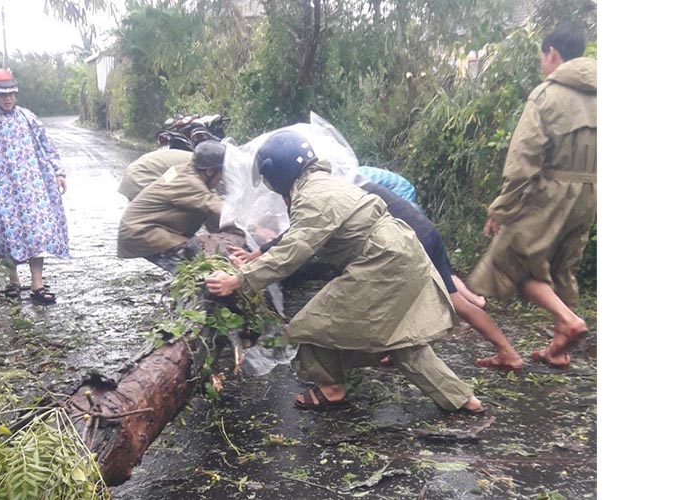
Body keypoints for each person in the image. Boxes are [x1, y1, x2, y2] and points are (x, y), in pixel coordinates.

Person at [205, 131, 483, 414]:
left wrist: (239, 280)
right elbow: (302, 231)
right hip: (401, 253)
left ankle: (332, 388)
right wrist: (259, 253)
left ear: (276, 173)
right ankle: (462, 399)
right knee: (402, 341)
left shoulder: (312, 196)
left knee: (308, 327)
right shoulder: (322, 183)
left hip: (380, 263)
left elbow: (294, 251)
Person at [233, 166, 523, 371]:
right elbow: (300, 232)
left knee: (451, 300)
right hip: (420, 231)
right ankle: (388, 349)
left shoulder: (328, 193)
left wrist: (256, 260)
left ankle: (507, 352)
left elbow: (301, 236)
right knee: (411, 294)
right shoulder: (337, 182)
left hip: (409, 238)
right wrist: (258, 251)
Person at [467, 22, 596, 368]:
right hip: (589, 194)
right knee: (563, 268)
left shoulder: (547, 95)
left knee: (515, 266)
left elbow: (523, 161)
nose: (543, 65)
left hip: (549, 194)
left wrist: (502, 209)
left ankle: (569, 322)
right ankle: (559, 350)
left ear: (552, 53)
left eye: (543, 58)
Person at [0, 69, 69, 305]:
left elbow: (46, 146)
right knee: (5, 235)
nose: (8, 99)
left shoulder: (27, 118)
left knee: (36, 233)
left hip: (31, 188)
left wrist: (58, 172)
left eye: (11, 93)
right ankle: (13, 280)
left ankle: (37, 284)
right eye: (2, 95)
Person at [116, 141, 227, 272]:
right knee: (199, 266)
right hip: (143, 232)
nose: (221, 178)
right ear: (209, 171)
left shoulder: (183, 170)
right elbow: (219, 209)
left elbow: (211, 214)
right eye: (221, 173)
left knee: (195, 261)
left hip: (142, 227)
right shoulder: (190, 183)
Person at [117, 149, 193, 201]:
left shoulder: (193, 159)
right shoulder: (195, 165)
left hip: (132, 173)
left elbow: (168, 178)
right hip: (140, 176)